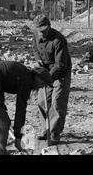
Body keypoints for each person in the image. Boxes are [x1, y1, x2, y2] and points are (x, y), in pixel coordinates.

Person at [32, 14, 72, 145]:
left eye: (44, 30)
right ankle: (47, 129)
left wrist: (48, 77)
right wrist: (38, 60)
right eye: (39, 30)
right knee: (42, 102)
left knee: (57, 103)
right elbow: (35, 49)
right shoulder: (36, 35)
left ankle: (55, 133)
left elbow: (60, 64)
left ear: (49, 26)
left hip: (61, 74)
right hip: (46, 71)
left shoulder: (58, 40)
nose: (41, 33)